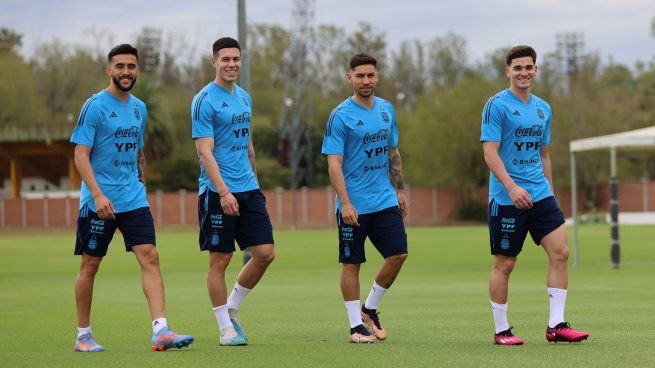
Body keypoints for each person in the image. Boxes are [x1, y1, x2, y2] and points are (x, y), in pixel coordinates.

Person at [70, 44, 193, 352]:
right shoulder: (95, 106)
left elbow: (138, 151)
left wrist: (142, 184)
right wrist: (98, 195)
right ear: (109, 70)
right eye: (120, 66)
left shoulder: (140, 107)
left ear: (138, 71)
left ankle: (161, 330)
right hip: (98, 202)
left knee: (150, 256)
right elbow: (80, 155)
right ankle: (83, 335)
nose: (126, 71)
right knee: (91, 264)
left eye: (131, 66)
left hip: (133, 199)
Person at [481, 45, 589, 345]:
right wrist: (512, 188)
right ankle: (502, 330)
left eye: (529, 67)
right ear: (508, 72)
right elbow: (489, 153)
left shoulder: (544, 108)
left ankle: (556, 326)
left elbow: (544, 154)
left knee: (561, 253)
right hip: (506, 198)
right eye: (517, 68)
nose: (524, 73)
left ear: (536, 70)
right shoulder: (496, 105)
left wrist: (550, 193)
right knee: (505, 264)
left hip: (540, 195)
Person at [191, 37, 275, 347]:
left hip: (248, 188)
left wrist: (255, 180)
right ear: (214, 62)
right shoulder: (204, 100)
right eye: (225, 59)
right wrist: (224, 192)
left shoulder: (244, 97)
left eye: (236, 59)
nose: (231, 64)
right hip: (217, 191)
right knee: (221, 260)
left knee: (265, 253)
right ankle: (225, 328)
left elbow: (247, 144)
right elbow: (204, 152)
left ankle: (233, 308)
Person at [321, 53, 409, 343]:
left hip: (384, 199)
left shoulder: (386, 109)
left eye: (371, 75)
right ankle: (355, 327)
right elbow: (334, 163)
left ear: (377, 76)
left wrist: (401, 189)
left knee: (398, 254)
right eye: (360, 76)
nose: (366, 80)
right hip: (354, 204)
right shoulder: (340, 115)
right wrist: (345, 203)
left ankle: (369, 308)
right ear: (350, 78)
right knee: (352, 263)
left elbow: (392, 151)